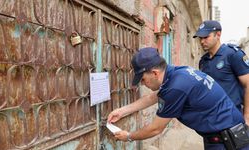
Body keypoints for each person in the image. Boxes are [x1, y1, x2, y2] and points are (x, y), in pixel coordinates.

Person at [107, 47, 249, 150]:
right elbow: (153, 97)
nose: (142, 83)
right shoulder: (177, 72)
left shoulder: (175, 87)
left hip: (229, 141)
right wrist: (122, 111)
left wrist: (129, 136)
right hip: (223, 135)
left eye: (143, 79)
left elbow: (155, 129)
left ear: (155, 73)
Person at [193, 20, 249, 125]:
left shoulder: (233, 55)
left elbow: (248, 84)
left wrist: (247, 116)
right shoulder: (203, 61)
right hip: (210, 118)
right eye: (200, 38)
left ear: (218, 35)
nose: (202, 41)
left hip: (232, 117)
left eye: (206, 37)